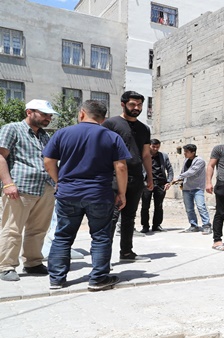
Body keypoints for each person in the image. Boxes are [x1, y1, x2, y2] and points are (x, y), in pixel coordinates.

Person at [43, 100, 130, 290]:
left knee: (63, 236)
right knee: (100, 236)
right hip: (99, 194)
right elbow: (121, 167)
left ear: (82, 113)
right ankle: (98, 279)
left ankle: (56, 279)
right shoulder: (112, 136)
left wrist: (59, 181)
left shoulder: (62, 133)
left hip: (68, 194)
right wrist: (122, 193)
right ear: (103, 118)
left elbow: (48, 160)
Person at [0, 99, 57, 282]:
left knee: (39, 228)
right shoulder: (12, 128)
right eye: (44, 114)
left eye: (50, 115)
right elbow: (1, 157)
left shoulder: (44, 135)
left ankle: (33, 262)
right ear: (29, 112)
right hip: (20, 187)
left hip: (45, 187)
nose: (48, 118)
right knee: (12, 228)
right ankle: (6, 265)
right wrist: (8, 183)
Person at [102, 91, 154, 262]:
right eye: (132, 104)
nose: (136, 108)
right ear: (123, 104)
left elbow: (146, 155)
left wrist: (150, 177)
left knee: (130, 217)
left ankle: (126, 252)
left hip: (136, 177)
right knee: (111, 217)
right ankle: (103, 258)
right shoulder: (110, 124)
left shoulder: (144, 128)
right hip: (114, 177)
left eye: (139, 105)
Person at [174, 144, 211, 234]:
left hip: (197, 188)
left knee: (201, 206)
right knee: (189, 208)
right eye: (184, 151)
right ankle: (193, 225)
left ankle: (207, 226)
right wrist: (179, 180)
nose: (184, 153)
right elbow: (184, 171)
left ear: (193, 152)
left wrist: (179, 177)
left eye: (186, 152)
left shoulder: (200, 161)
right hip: (187, 188)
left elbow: (192, 172)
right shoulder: (186, 160)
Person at [140, 139, 173, 233]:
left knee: (159, 206)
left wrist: (169, 181)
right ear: (149, 146)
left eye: (157, 147)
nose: (155, 149)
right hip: (146, 184)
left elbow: (169, 169)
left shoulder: (163, 156)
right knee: (145, 206)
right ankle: (145, 226)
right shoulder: (144, 155)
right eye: (153, 147)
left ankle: (156, 225)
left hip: (160, 183)